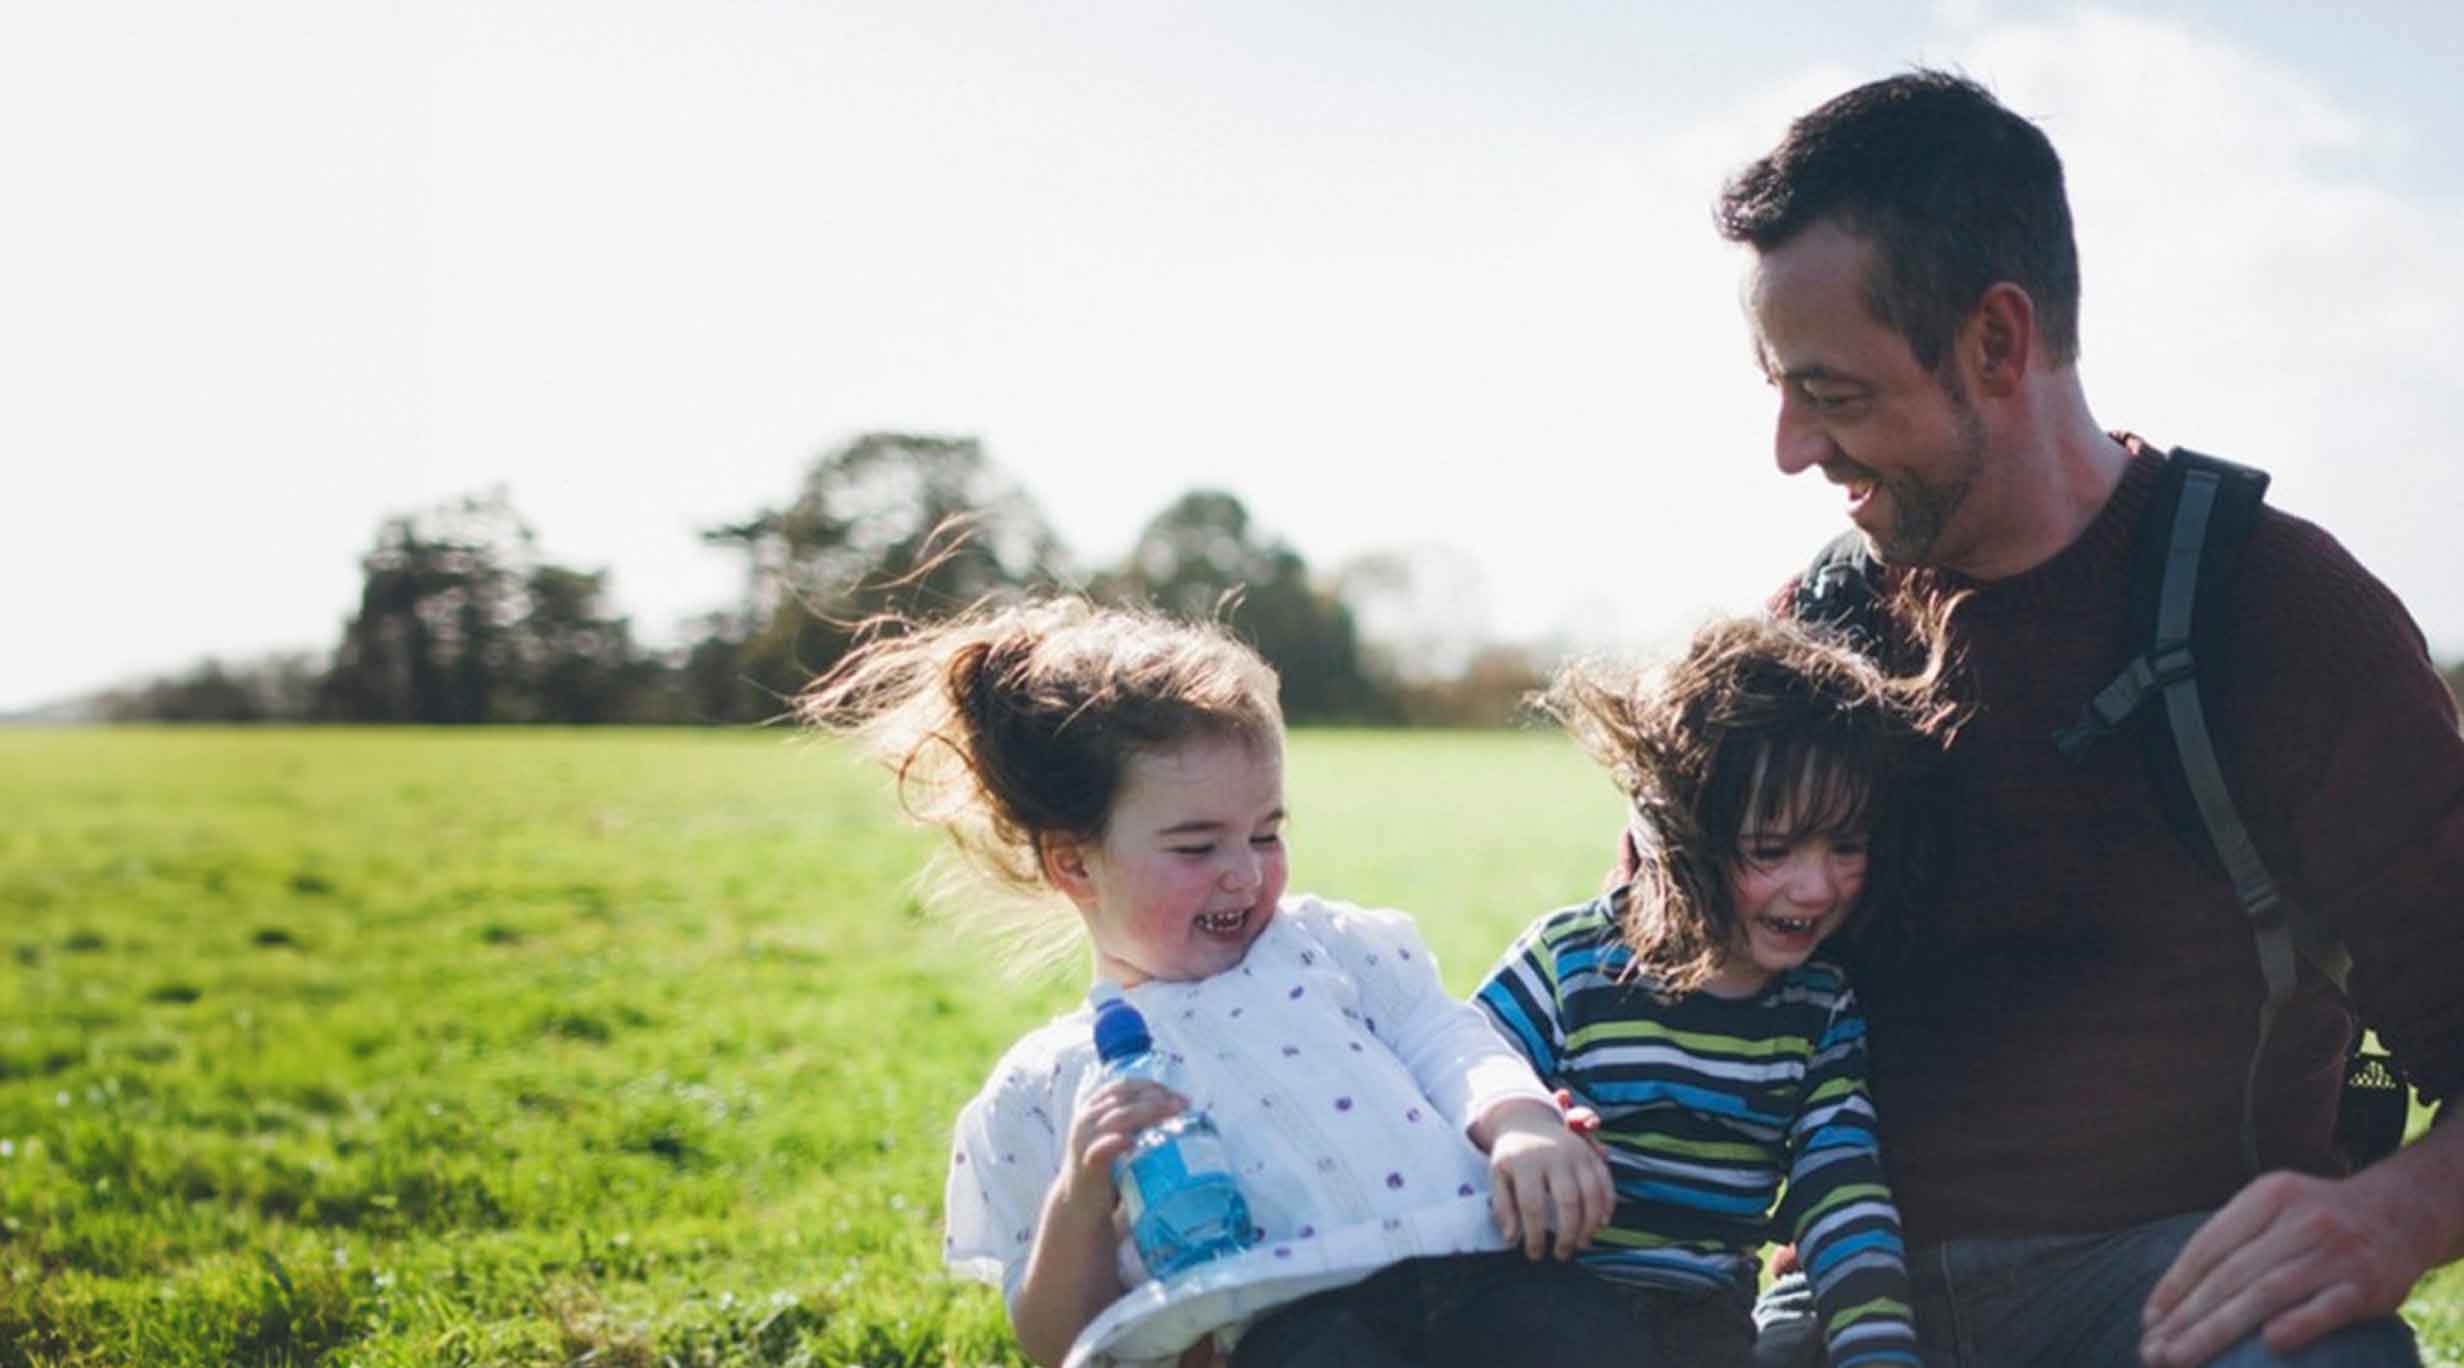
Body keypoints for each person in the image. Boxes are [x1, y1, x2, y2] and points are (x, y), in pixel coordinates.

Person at [1708, 70, 2464, 1367]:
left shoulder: (2272, 611)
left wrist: (2390, 1215)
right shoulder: (1802, 638)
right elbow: (1641, 988)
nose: (1788, 449)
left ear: (1997, 344)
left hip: (2183, 1300)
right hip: (1846, 1294)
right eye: (1778, 387)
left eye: (1831, 395)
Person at [802, 597, 1619, 1368]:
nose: (1243, 873)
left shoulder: (1330, 947)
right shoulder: (1051, 1085)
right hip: (1297, 1331)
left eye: (1265, 833)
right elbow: (1058, 1342)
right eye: (1197, 848)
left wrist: (1521, 1121)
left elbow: (1446, 1037)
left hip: (1478, 1265)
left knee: (1588, 1333)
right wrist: (1080, 1200)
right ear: (1073, 861)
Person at [1478, 614, 1942, 1368]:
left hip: (1702, 1324)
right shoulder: (1569, 965)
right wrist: (1521, 1122)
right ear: (1673, 833)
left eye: (1846, 846)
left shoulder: (1818, 1011)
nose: (1817, 886)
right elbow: (1452, 1083)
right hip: (1542, 1303)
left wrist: (1878, 1353)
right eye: (1771, 850)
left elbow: (1840, 1189)